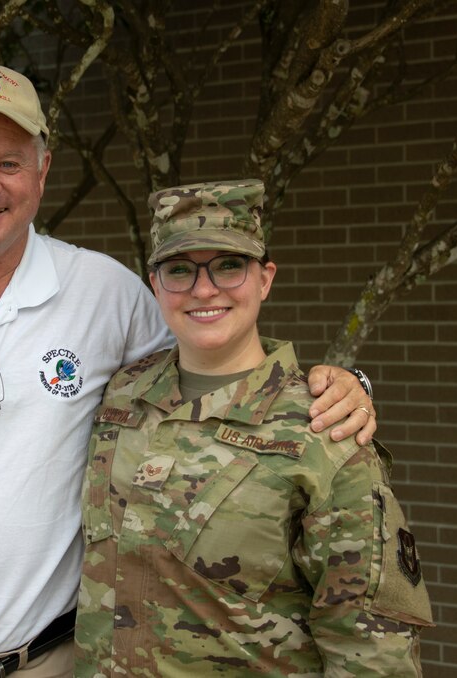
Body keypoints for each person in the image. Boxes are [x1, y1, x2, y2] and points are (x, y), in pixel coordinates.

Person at [0, 63, 377, 678]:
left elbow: (215, 354)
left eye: (8, 163)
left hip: (49, 664)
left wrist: (333, 388)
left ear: (42, 170)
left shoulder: (106, 292)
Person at [74, 180, 433, 676]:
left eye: (229, 265)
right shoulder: (120, 396)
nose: (204, 288)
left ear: (264, 279)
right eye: (180, 269)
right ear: (155, 285)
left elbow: (372, 651)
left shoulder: (323, 431)